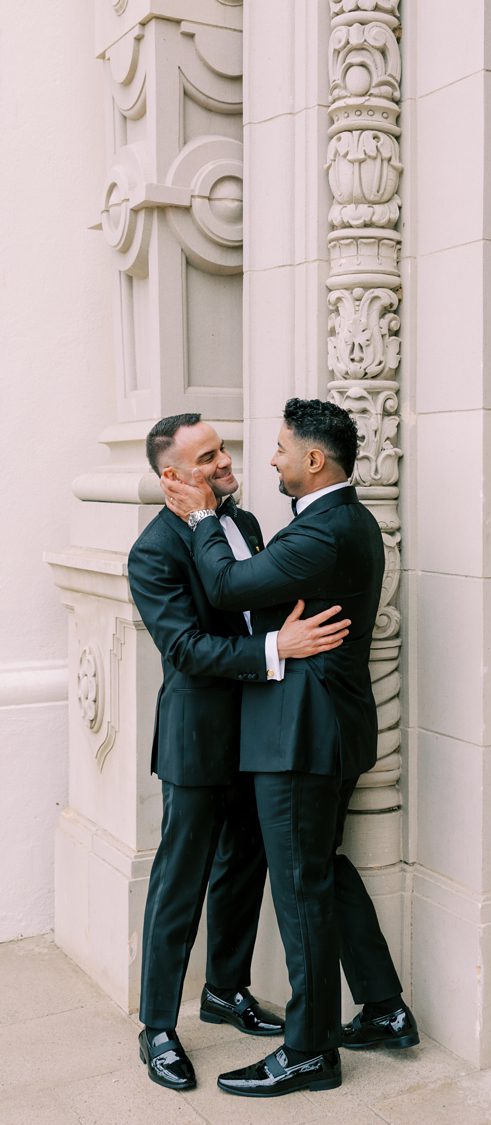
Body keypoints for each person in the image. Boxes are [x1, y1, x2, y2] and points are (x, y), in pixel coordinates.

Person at [162, 398, 416, 1097]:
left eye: (279, 447)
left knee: (300, 883)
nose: (269, 458)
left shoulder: (325, 531)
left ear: (314, 459)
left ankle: (308, 1051)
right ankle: (385, 1005)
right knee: (321, 870)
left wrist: (203, 518)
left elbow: (225, 583)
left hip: (301, 736)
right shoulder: (341, 521)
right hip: (324, 727)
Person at [129, 414, 348, 1092]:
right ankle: (158, 1026)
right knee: (181, 878)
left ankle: (226, 988)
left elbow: (250, 602)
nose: (226, 461)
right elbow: (187, 648)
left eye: (223, 448)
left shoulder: (247, 523)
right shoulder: (152, 551)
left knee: (242, 866)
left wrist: (274, 632)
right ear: (171, 477)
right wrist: (276, 648)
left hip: (261, 730)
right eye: (206, 457)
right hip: (198, 736)